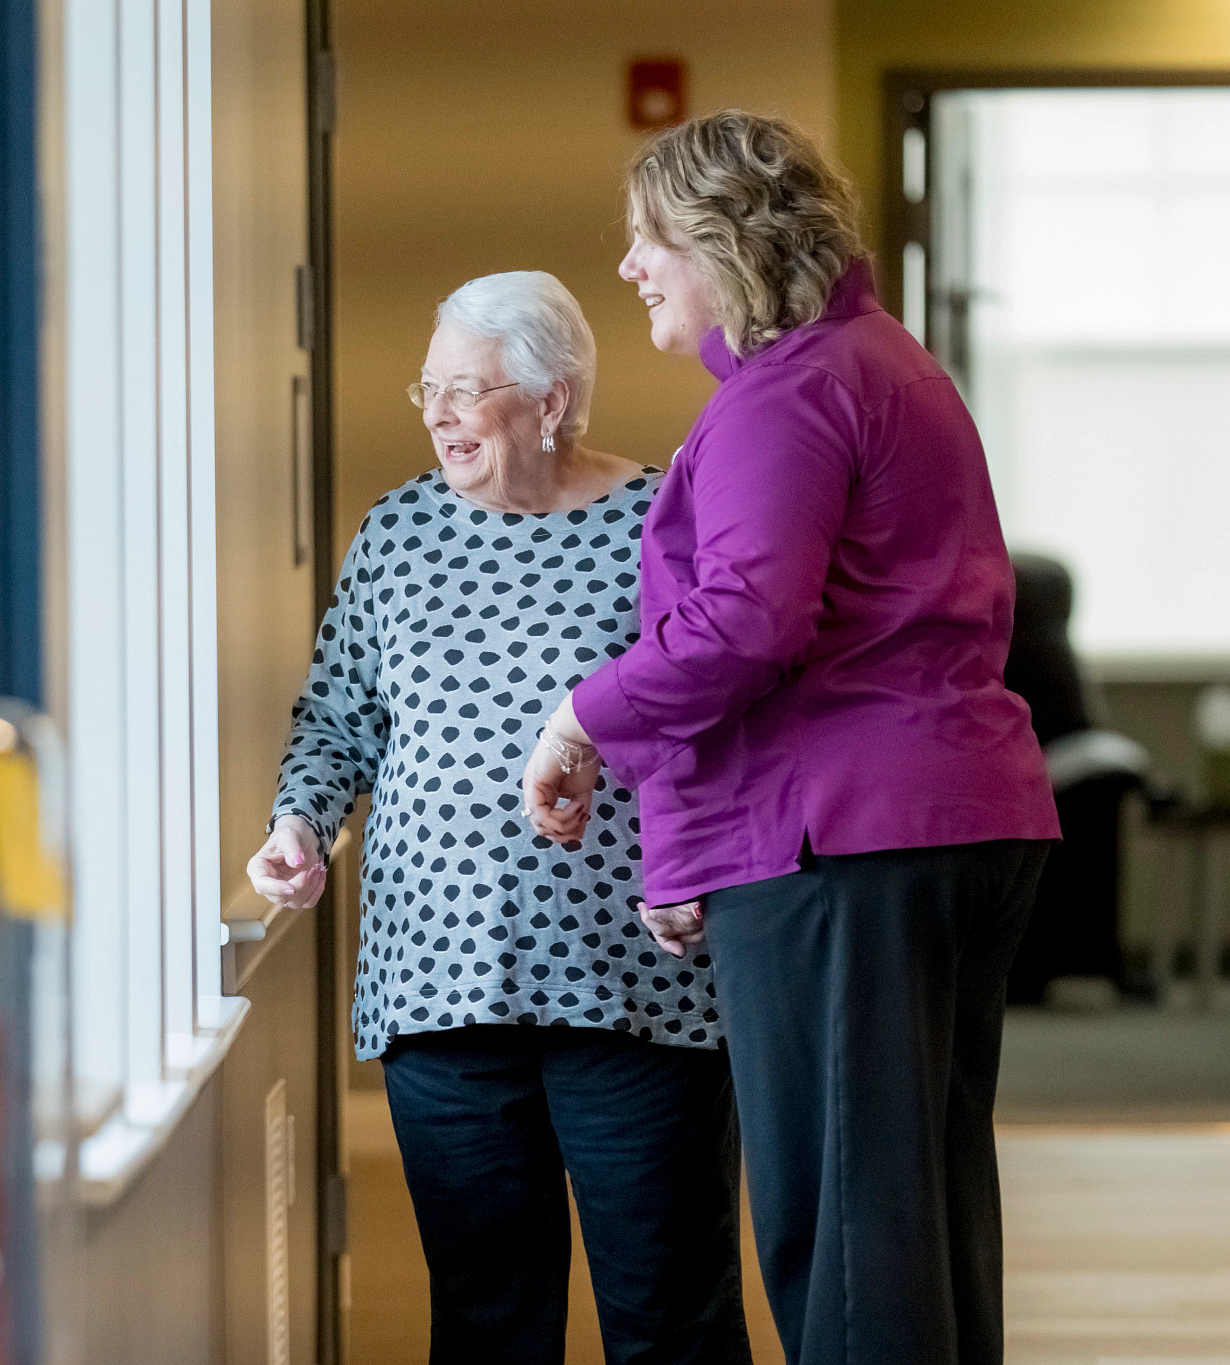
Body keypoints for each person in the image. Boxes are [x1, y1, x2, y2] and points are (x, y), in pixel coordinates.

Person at [522, 112, 1060, 1365]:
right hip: (938, 822)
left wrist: (580, 716)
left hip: (848, 846)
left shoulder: (792, 388)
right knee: (913, 1215)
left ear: (722, 244)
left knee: (845, 1237)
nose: (629, 266)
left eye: (648, 237)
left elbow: (747, 624)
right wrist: (687, 848)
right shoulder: (884, 362)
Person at [252, 270, 752, 1365]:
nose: (436, 413)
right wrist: (299, 820)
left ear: (550, 398)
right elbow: (339, 714)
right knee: (485, 1321)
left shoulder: (659, 522)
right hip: (439, 986)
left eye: (464, 390)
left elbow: (723, 719)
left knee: (670, 1310)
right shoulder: (395, 533)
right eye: (425, 389)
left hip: (636, 988)